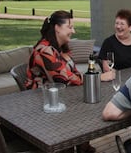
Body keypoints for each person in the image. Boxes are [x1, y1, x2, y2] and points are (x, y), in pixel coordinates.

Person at [25, 10, 109, 152]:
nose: (73, 31)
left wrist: (83, 78)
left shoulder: (61, 49)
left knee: (88, 106)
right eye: (70, 27)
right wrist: (99, 77)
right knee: (85, 109)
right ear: (57, 28)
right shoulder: (45, 50)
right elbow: (64, 79)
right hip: (43, 102)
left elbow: (73, 74)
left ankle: (82, 145)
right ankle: (73, 146)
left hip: (62, 96)